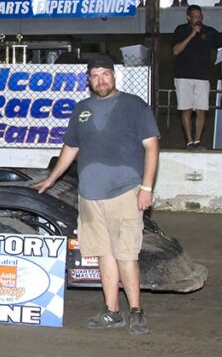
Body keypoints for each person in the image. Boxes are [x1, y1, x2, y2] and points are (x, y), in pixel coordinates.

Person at [33, 54, 159, 336]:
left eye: (105, 74)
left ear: (114, 76)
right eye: (95, 75)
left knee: (126, 253)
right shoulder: (82, 109)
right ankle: (112, 311)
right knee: (103, 254)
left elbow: (152, 147)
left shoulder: (134, 106)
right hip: (89, 195)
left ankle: (136, 311)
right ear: (88, 80)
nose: (101, 80)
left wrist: (147, 188)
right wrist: (50, 179)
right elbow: (71, 148)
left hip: (125, 192)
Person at [171, 4, 222, 150]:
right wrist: (192, 34)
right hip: (183, 75)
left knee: (201, 110)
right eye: (195, 17)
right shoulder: (181, 30)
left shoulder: (209, 32)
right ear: (188, 18)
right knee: (185, 109)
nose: (198, 20)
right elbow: (175, 51)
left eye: (200, 17)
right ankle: (189, 142)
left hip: (202, 76)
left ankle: (198, 140)